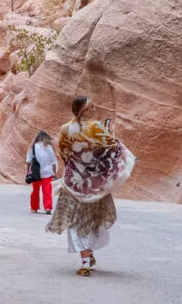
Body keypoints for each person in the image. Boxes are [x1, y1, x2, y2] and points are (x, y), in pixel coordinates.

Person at [46, 96, 135, 276]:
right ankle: (87, 259)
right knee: (92, 218)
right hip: (95, 182)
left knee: (76, 220)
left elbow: (64, 153)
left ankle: (86, 259)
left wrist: (76, 165)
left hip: (73, 181)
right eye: (91, 107)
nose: (94, 109)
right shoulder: (96, 127)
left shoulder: (65, 129)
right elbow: (111, 146)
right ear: (84, 109)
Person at [26, 131, 58, 214]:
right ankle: (48, 207)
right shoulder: (49, 147)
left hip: (36, 172)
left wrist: (28, 171)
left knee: (35, 190)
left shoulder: (32, 147)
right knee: (47, 190)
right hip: (47, 172)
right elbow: (53, 162)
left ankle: (34, 207)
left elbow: (28, 161)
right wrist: (54, 173)